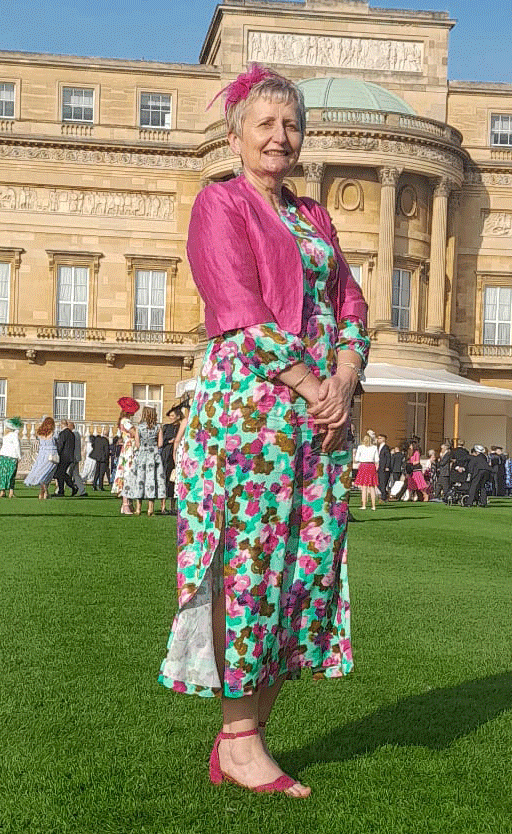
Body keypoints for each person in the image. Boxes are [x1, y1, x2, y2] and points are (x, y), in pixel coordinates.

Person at [157, 66, 369, 799]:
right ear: (235, 135)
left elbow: (349, 298)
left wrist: (343, 376)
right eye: (265, 124)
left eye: (291, 124)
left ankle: (241, 741)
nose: (280, 136)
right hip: (251, 418)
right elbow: (240, 312)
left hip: (317, 426)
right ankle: (242, 743)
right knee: (249, 569)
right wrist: (316, 386)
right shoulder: (220, 204)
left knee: (303, 574)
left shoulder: (314, 217)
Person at [125, 405, 166, 516]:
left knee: (140, 479)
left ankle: (138, 508)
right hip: (154, 455)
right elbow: (161, 444)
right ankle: (150, 509)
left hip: (142, 454)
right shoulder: (158, 427)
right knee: (152, 479)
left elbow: (137, 444)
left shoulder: (139, 427)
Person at [111, 397, 139, 515]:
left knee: (128, 473)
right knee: (128, 473)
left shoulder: (123, 421)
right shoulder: (126, 422)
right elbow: (133, 433)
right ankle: (125, 503)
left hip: (127, 448)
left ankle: (128, 503)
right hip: (129, 449)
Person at [23, 417, 58, 499]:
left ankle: (42, 492)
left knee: (42, 472)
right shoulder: (54, 433)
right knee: (48, 473)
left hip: (42, 454)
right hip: (51, 454)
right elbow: (57, 441)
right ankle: (45, 491)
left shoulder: (39, 433)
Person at [0, 416, 22, 498]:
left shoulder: (6, 436)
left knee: (3, 474)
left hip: (4, 456)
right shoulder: (15, 436)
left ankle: (2, 491)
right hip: (12, 457)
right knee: (11, 475)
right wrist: (19, 456)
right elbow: (17, 446)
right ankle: (11, 492)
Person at [159, 407, 182, 513]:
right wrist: (169, 441)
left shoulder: (181, 427)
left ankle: (173, 506)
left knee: (174, 481)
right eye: (170, 416)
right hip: (166, 455)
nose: (172, 418)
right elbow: (161, 442)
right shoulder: (166, 427)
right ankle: (163, 506)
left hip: (176, 455)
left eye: (173, 416)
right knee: (164, 480)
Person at [354, 434, 380, 510]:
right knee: (372, 486)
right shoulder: (374, 448)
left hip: (363, 466)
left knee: (364, 487)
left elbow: (357, 458)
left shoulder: (360, 447)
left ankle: (364, 505)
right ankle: (373, 506)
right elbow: (377, 459)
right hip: (371, 466)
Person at [53, 420, 77, 496]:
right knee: (62, 473)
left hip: (63, 457)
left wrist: (56, 453)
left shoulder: (63, 434)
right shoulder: (71, 434)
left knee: (59, 474)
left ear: (62, 425)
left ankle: (63, 490)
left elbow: (60, 446)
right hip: (70, 457)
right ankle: (70, 487)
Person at [376, 433, 391, 501]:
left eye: (380, 438)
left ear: (384, 439)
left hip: (384, 467)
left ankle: (384, 496)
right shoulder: (378, 447)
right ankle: (385, 493)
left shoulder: (386, 447)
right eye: (378, 438)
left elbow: (388, 457)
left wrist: (387, 466)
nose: (378, 440)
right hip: (379, 467)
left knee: (382, 482)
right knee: (378, 482)